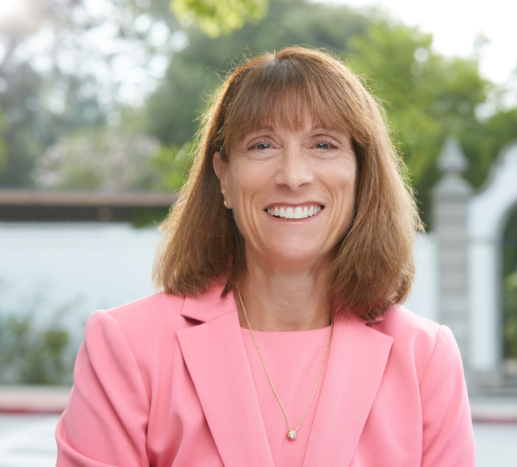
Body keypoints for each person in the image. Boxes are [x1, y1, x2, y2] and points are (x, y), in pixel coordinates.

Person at [55, 47, 475, 466]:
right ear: (224, 177)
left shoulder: (425, 358)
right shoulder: (126, 347)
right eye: (262, 145)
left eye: (323, 144)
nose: (293, 176)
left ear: (361, 174)